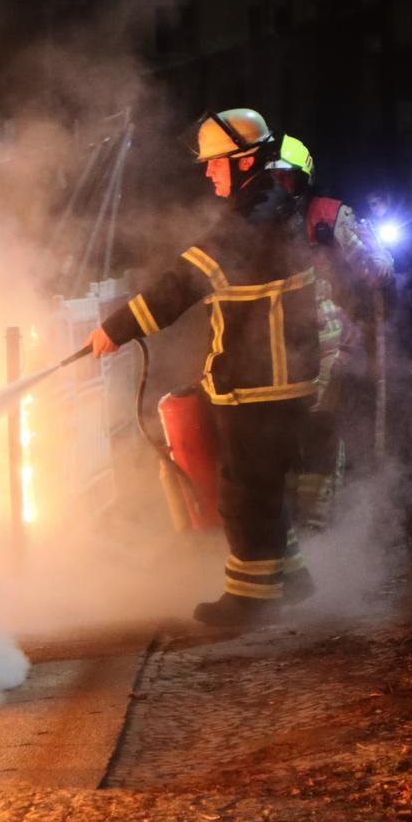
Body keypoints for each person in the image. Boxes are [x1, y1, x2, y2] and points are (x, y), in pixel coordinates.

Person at [87, 108, 319, 628]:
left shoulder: (250, 219)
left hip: (263, 379)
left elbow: (186, 281)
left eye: (215, 163)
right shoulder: (270, 204)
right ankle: (291, 578)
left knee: (244, 489)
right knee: (264, 484)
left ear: (243, 160)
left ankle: (251, 601)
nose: (208, 173)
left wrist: (117, 328)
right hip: (272, 375)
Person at [272, 140, 395, 530]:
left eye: (286, 175)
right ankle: (290, 518)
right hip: (279, 342)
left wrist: (369, 260)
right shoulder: (261, 220)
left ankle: (317, 521)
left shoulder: (329, 214)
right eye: (273, 175)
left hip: (330, 339)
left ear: (302, 177)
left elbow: (377, 264)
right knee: (283, 429)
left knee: (321, 425)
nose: (279, 183)